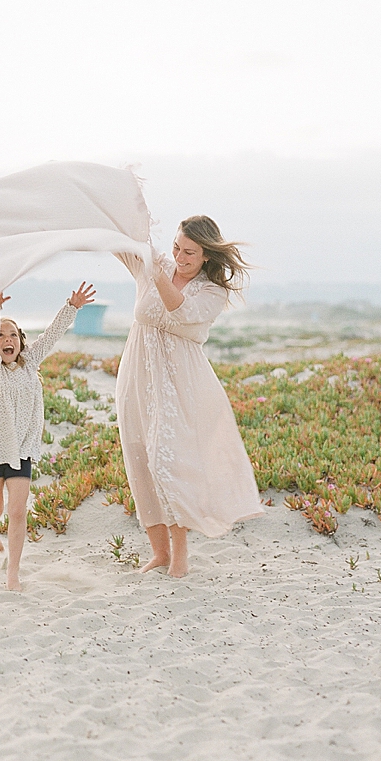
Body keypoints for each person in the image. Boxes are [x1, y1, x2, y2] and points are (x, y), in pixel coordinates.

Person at [113, 215, 263, 578]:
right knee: (139, 459)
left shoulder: (213, 292)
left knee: (169, 464)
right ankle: (159, 553)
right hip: (137, 375)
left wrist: (156, 271)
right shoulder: (155, 265)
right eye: (176, 248)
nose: (179, 257)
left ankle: (180, 555)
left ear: (207, 256)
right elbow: (120, 241)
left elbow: (178, 308)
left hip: (181, 384)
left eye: (189, 253)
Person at [0, 282, 96, 591]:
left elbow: (52, 334)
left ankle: (12, 573)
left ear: (21, 342)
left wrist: (73, 307)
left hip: (21, 451)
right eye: (1, 335)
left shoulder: (30, 364)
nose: (6, 339)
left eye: (12, 334)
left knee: (16, 513)